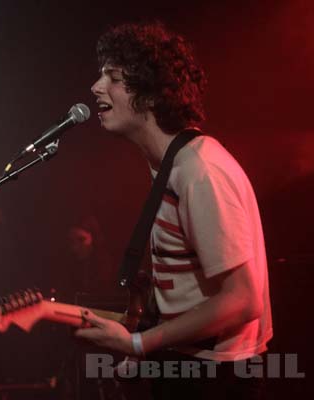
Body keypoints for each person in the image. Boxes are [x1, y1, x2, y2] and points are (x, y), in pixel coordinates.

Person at [74, 23, 272, 399]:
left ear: (149, 95)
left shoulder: (200, 171)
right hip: (192, 367)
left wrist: (140, 344)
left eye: (112, 77)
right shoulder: (172, 164)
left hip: (216, 378)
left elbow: (244, 299)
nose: (96, 87)